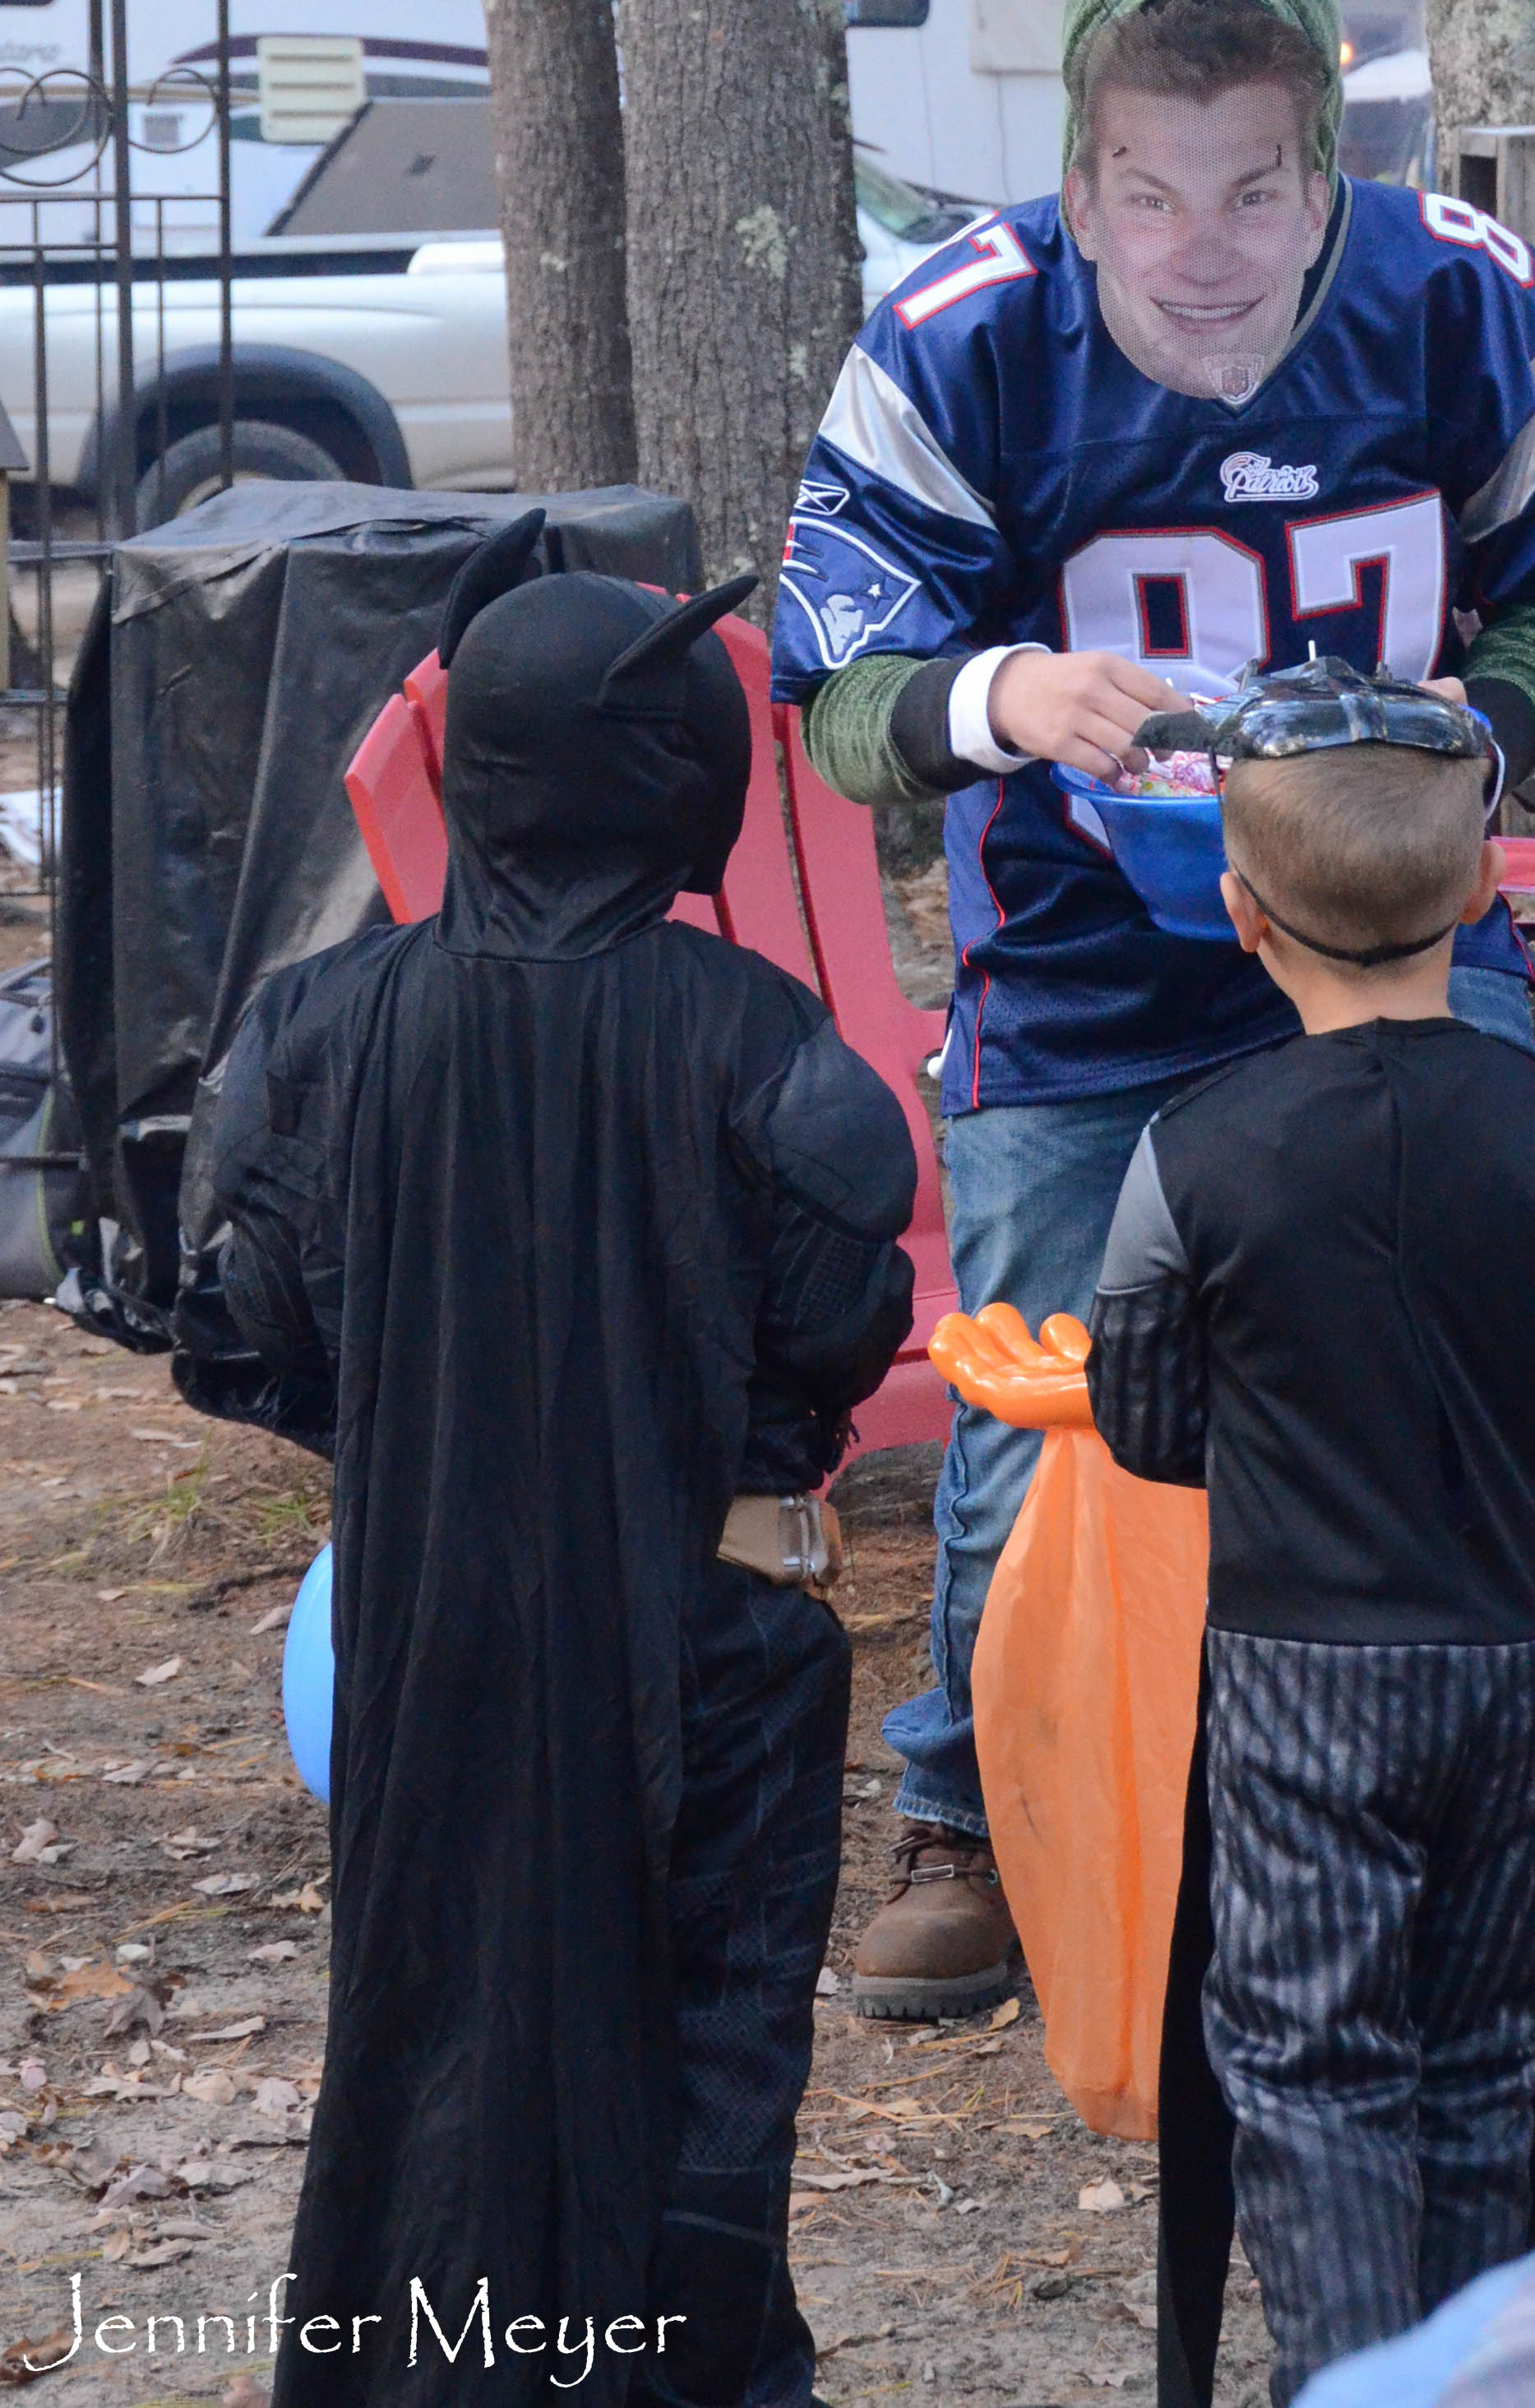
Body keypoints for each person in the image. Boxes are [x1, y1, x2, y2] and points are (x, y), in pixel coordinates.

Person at [770, 0, 1535, 2024]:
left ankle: (1507, 1849)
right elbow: (836, 686)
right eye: (1145, 193)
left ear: (1320, 172)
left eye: (1252, 186)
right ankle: (973, 1814)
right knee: (1031, 1408)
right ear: (1074, 181)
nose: (1199, 242)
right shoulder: (958, 335)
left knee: (1443, 1405)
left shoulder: (1460, 299)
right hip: (1080, 959)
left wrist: (1479, 733)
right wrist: (1002, 699)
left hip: (1377, 933)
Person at [206, 511, 917, 2408]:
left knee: (433, 2027)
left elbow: (244, 1328)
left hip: (429, 1623)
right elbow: (843, 1320)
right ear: (666, 772)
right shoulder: (762, 1043)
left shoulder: (314, 1028)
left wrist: (441, 1434)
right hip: (719, 1628)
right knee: (707, 2050)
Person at [1083, 662, 1535, 2407]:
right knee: (1482, 2056)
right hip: (1517, 1668)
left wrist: (1308, 1432)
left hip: (1304, 1675)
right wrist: (1526, 1416)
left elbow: (1147, 1419)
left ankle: (1360, 2379)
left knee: (1312, 2072)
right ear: (1479, 892)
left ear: (1236, 912)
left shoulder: (1189, 1152)